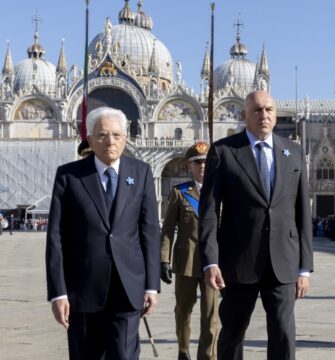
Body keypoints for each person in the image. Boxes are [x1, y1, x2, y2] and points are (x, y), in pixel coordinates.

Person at [199, 90, 313, 360]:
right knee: (233, 334)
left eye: (269, 110)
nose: (264, 115)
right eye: (257, 110)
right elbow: (209, 212)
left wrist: (305, 267)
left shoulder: (293, 152)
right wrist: (210, 261)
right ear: (244, 115)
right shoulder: (225, 151)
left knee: (284, 332)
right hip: (238, 262)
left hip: (283, 262)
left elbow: (302, 213)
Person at [46, 107, 160, 360]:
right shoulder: (69, 176)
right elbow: (56, 237)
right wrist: (58, 292)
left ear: (126, 137)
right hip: (83, 290)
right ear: (89, 138)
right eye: (103, 135)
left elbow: (150, 230)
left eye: (117, 135)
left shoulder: (141, 172)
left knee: (124, 355)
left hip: (128, 288)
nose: (111, 142)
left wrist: (152, 286)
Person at [160, 142, 219, 360]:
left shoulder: (219, 192)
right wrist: (163, 260)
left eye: (205, 162)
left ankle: (207, 356)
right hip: (186, 261)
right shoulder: (180, 193)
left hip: (213, 264)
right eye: (197, 163)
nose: (202, 166)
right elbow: (167, 230)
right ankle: (183, 350)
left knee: (211, 314)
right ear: (189, 167)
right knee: (183, 310)